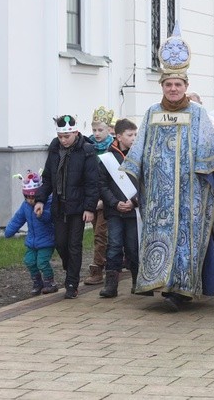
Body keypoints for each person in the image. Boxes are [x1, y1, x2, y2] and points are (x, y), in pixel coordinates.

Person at [120, 25, 214, 311]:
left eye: (178, 84)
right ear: (162, 87)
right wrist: (133, 182)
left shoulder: (197, 114)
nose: (173, 89)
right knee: (160, 237)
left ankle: (181, 290)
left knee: (186, 242)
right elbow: (139, 151)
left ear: (186, 86)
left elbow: (211, 153)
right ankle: (162, 284)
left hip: (190, 195)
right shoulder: (152, 113)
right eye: (168, 84)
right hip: (159, 197)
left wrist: (206, 178)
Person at [35, 115, 99, 299]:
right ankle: (70, 266)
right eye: (61, 136)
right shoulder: (55, 149)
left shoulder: (86, 150)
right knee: (60, 243)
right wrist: (40, 199)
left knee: (74, 245)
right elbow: (47, 178)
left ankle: (72, 283)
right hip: (59, 205)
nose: (63, 140)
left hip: (78, 207)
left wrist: (90, 208)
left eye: (67, 136)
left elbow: (92, 182)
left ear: (76, 133)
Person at [97, 118, 139, 298]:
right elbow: (102, 184)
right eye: (130, 135)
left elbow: (145, 182)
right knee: (114, 246)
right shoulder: (107, 158)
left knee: (133, 247)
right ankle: (111, 285)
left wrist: (135, 201)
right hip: (114, 211)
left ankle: (138, 282)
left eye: (135, 134)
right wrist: (114, 202)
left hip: (133, 210)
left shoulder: (138, 155)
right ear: (119, 136)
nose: (134, 138)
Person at [5, 170, 58, 295]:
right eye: (27, 197)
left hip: (47, 241)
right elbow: (18, 219)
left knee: (42, 262)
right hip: (32, 241)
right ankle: (37, 282)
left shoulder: (48, 203)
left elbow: (50, 218)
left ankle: (50, 282)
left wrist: (41, 214)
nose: (30, 200)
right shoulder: (25, 206)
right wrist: (9, 231)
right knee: (29, 261)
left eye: (33, 197)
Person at [84, 106, 115, 286]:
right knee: (98, 232)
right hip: (92, 197)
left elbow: (111, 177)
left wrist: (104, 199)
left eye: (100, 130)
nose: (96, 133)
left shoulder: (112, 148)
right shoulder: (88, 148)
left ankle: (99, 268)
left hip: (106, 199)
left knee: (101, 233)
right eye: (94, 130)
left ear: (108, 129)